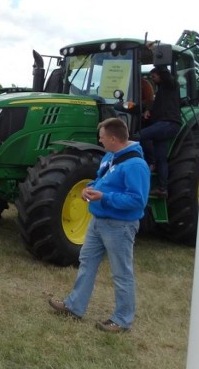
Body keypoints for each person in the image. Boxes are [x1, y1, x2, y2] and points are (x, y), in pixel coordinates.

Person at [49, 117, 150, 333]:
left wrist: (103, 197)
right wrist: (90, 189)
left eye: (102, 137)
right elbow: (100, 180)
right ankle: (74, 306)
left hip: (119, 226)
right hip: (97, 222)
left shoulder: (135, 165)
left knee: (121, 273)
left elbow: (137, 200)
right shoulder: (110, 156)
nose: (100, 141)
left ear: (113, 138)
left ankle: (122, 320)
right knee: (86, 263)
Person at [140, 66, 181, 197]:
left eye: (154, 77)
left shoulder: (170, 85)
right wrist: (148, 111)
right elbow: (156, 105)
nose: (153, 80)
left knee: (141, 135)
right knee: (161, 158)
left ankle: (151, 162)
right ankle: (163, 189)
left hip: (169, 123)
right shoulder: (160, 91)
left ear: (161, 75)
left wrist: (157, 56)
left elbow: (166, 74)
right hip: (161, 123)